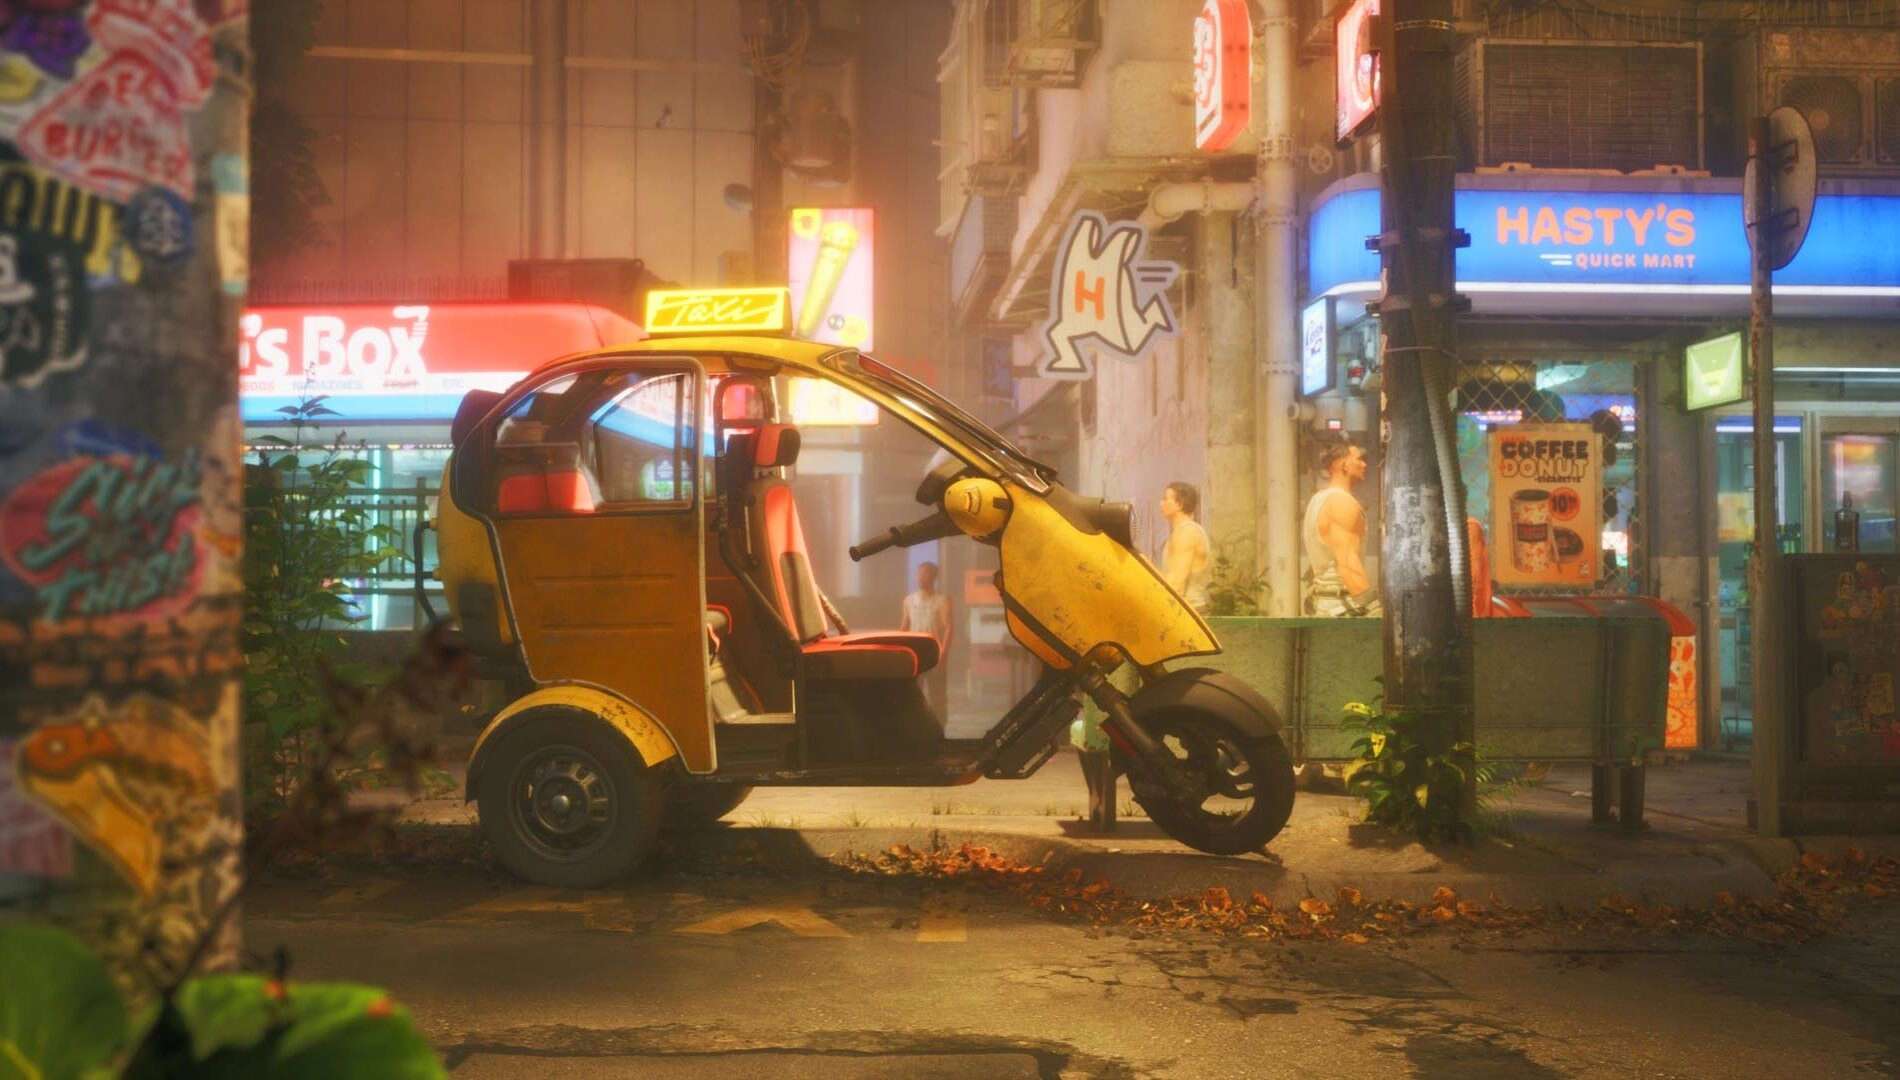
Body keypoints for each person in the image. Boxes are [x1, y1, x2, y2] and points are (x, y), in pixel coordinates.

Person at [1303, 436, 1381, 616]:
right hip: (1343, 608)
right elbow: (1347, 566)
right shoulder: (1341, 503)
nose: (1364, 465)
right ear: (1344, 465)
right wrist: (1375, 610)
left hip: (1326, 604)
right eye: (1359, 459)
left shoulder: (1318, 500)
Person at [899, 561, 953, 724]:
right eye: (919, 574)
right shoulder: (909, 601)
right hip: (915, 654)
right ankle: (916, 726)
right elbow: (904, 626)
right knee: (914, 693)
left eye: (925, 574)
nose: (921, 578)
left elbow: (949, 627)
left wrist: (943, 652)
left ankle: (940, 727)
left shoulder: (942, 600)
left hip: (934, 653)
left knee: (937, 695)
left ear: (933, 577)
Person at [1159, 481, 1211, 614]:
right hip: (1183, 611)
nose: (1161, 503)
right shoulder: (1180, 532)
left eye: (1165, 499)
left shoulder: (1187, 532)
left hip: (1190, 612)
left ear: (1179, 504)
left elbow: (1176, 584)